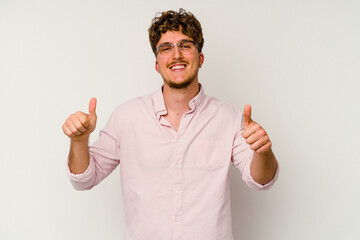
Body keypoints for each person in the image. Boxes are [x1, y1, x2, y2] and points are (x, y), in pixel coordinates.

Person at [62, 9, 279, 240]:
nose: (176, 55)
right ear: (157, 64)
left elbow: (261, 182)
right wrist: (78, 140)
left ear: (200, 58)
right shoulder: (127, 117)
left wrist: (263, 151)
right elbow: (84, 179)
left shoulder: (229, 117)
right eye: (166, 48)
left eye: (186, 45)